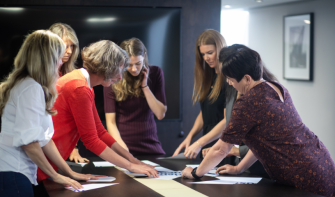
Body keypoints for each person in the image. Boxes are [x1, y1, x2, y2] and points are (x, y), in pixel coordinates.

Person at [181, 44, 335, 197]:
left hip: (303, 175)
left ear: (247, 79)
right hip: (320, 162)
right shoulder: (276, 87)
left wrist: (195, 173)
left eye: (230, 79)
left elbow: (221, 149)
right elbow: (262, 142)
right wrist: (239, 168)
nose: (229, 83)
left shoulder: (248, 102)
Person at [37, 40, 158, 185]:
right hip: (40, 163)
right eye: (119, 70)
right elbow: (91, 140)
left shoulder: (84, 83)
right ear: (107, 67)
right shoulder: (79, 87)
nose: (120, 77)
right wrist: (130, 166)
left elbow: (100, 131)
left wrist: (133, 160)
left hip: (48, 159)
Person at [0, 30, 95, 197]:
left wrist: (68, 172)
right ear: (47, 59)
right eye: (59, 55)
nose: (61, 61)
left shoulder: (29, 84)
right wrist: (56, 175)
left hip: (14, 172)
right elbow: (29, 143)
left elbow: (44, 139)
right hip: (13, 173)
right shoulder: (31, 88)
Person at [173, 29, 234, 168]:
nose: (206, 58)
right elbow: (205, 112)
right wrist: (190, 137)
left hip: (222, 143)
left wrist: (199, 142)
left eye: (210, 53)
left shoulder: (229, 79)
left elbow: (227, 121)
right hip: (208, 142)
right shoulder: (211, 76)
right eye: (203, 54)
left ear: (220, 49)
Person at [103, 38, 167, 155]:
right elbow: (110, 122)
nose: (134, 69)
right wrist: (122, 149)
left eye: (138, 63)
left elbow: (160, 114)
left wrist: (145, 87)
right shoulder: (112, 78)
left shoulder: (156, 72)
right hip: (122, 146)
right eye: (129, 65)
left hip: (150, 145)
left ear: (144, 56)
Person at [49, 22, 90, 163]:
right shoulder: (41, 74)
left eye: (72, 46)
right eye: (65, 46)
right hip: (43, 143)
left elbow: (74, 115)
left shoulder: (72, 74)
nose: (69, 51)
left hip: (64, 144)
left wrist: (74, 147)